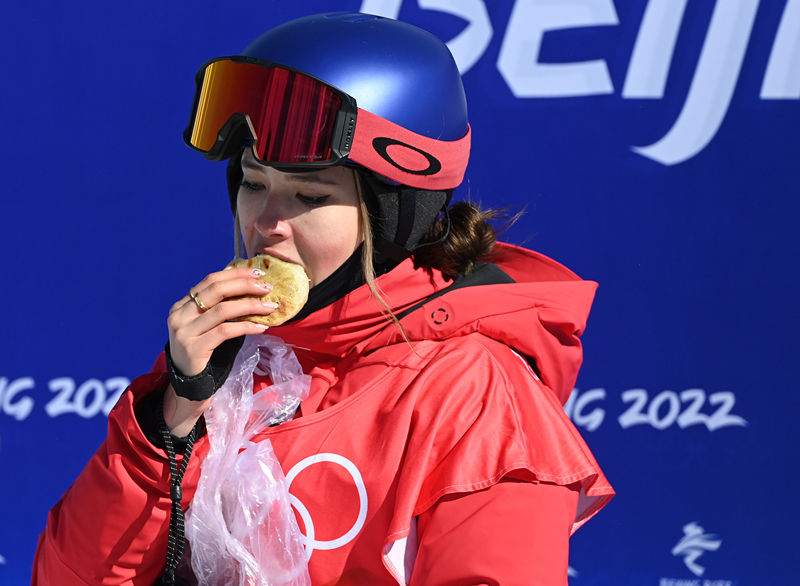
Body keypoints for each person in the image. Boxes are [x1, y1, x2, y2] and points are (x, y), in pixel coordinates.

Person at [32, 11, 614, 586]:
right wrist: (172, 420)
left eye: (309, 195)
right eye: (254, 183)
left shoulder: (476, 393)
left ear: (391, 216)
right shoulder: (229, 354)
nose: (268, 223)